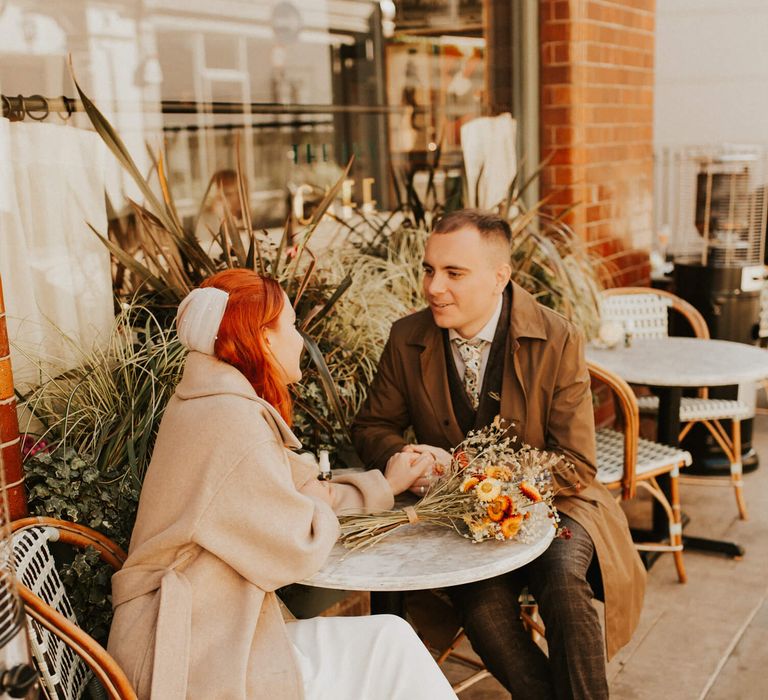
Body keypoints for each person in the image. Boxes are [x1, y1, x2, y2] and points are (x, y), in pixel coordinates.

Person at [107, 269, 457, 700]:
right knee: (391, 648)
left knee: (391, 641)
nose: (299, 339)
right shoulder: (230, 421)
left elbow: (303, 490)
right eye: (291, 325)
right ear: (263, 338)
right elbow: (299, 544)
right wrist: (319, 502)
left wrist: (384, 483)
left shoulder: (212, 401)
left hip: (205, 627)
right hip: (188, 655)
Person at [352, 209, 647, 700]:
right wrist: (409, 459)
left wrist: (476, 475)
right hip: (457, 521)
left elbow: (575, 462)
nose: (433, 287)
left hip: (557, 505)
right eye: (428, 269)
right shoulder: (407, 338)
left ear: (499, 277)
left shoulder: (558, 337)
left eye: (453, 273)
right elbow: (371, 426)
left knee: (562, 585)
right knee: (484, 608)